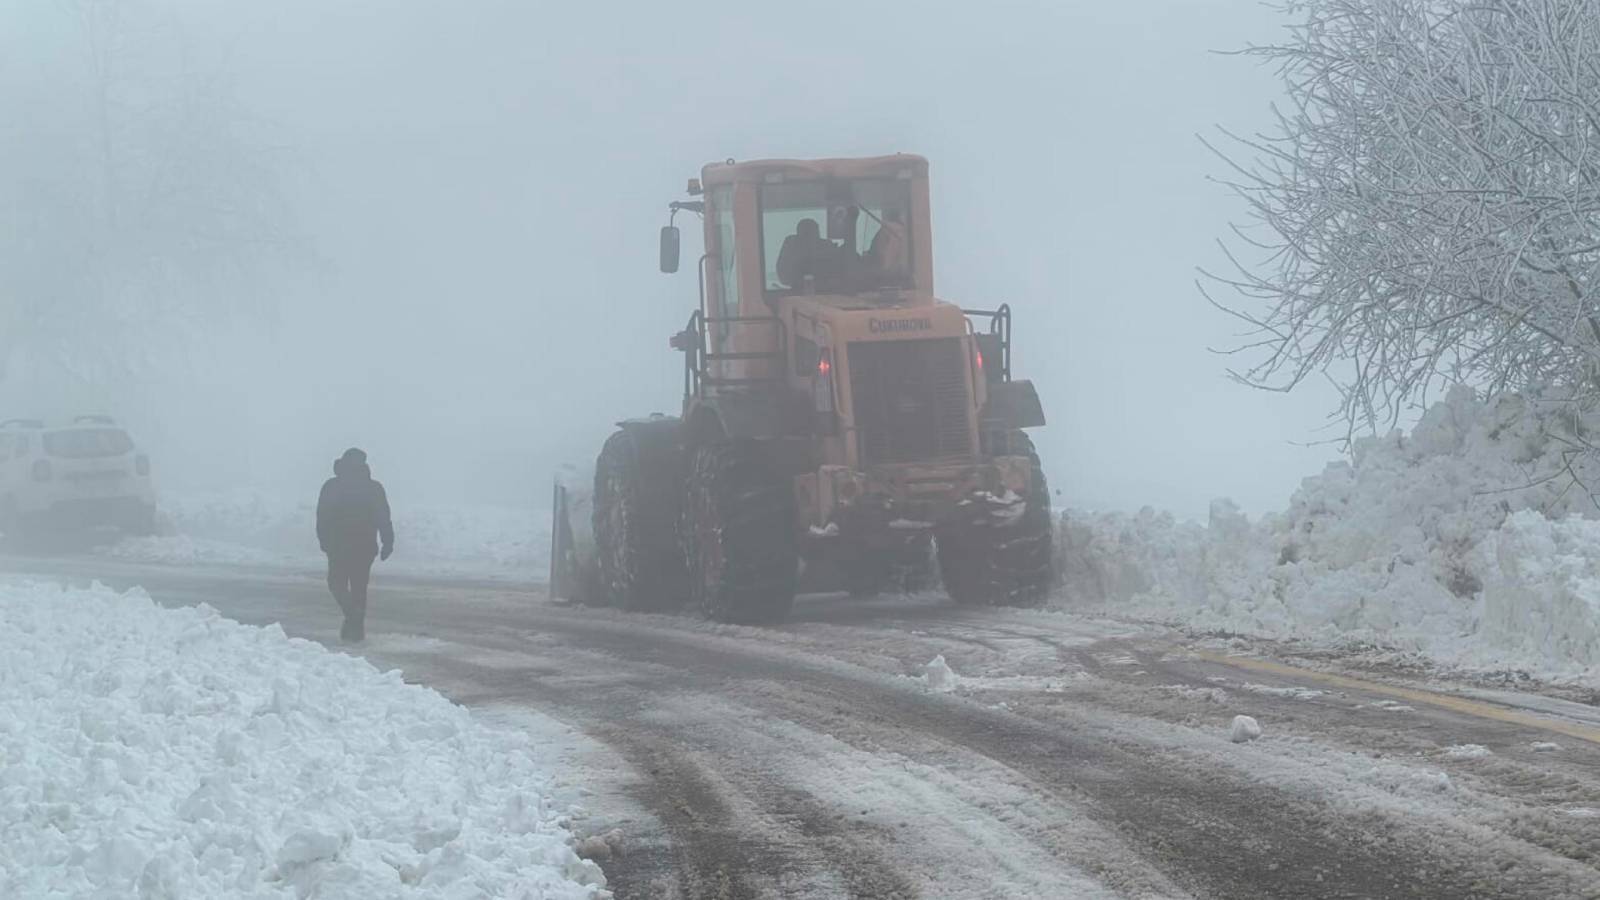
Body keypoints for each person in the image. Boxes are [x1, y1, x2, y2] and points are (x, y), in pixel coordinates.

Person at [316, 447, 394, 643]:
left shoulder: (335, 486)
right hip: (359, 546)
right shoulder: (371, 487)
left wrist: (324, 540)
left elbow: (322, 516)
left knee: (338, 584)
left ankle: (354, 623)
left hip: (342, 545)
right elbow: (383, 517)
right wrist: (387, 541)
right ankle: (355, 625)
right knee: (357, 588)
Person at [775, 218, 842, 289]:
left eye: (815, 232)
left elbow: (837, 276)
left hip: (828, 294)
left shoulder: (827, 247)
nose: (812, 237)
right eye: (807, 233)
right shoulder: (791, 249)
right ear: (799, 235)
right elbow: (784, 277)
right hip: (798, 294)